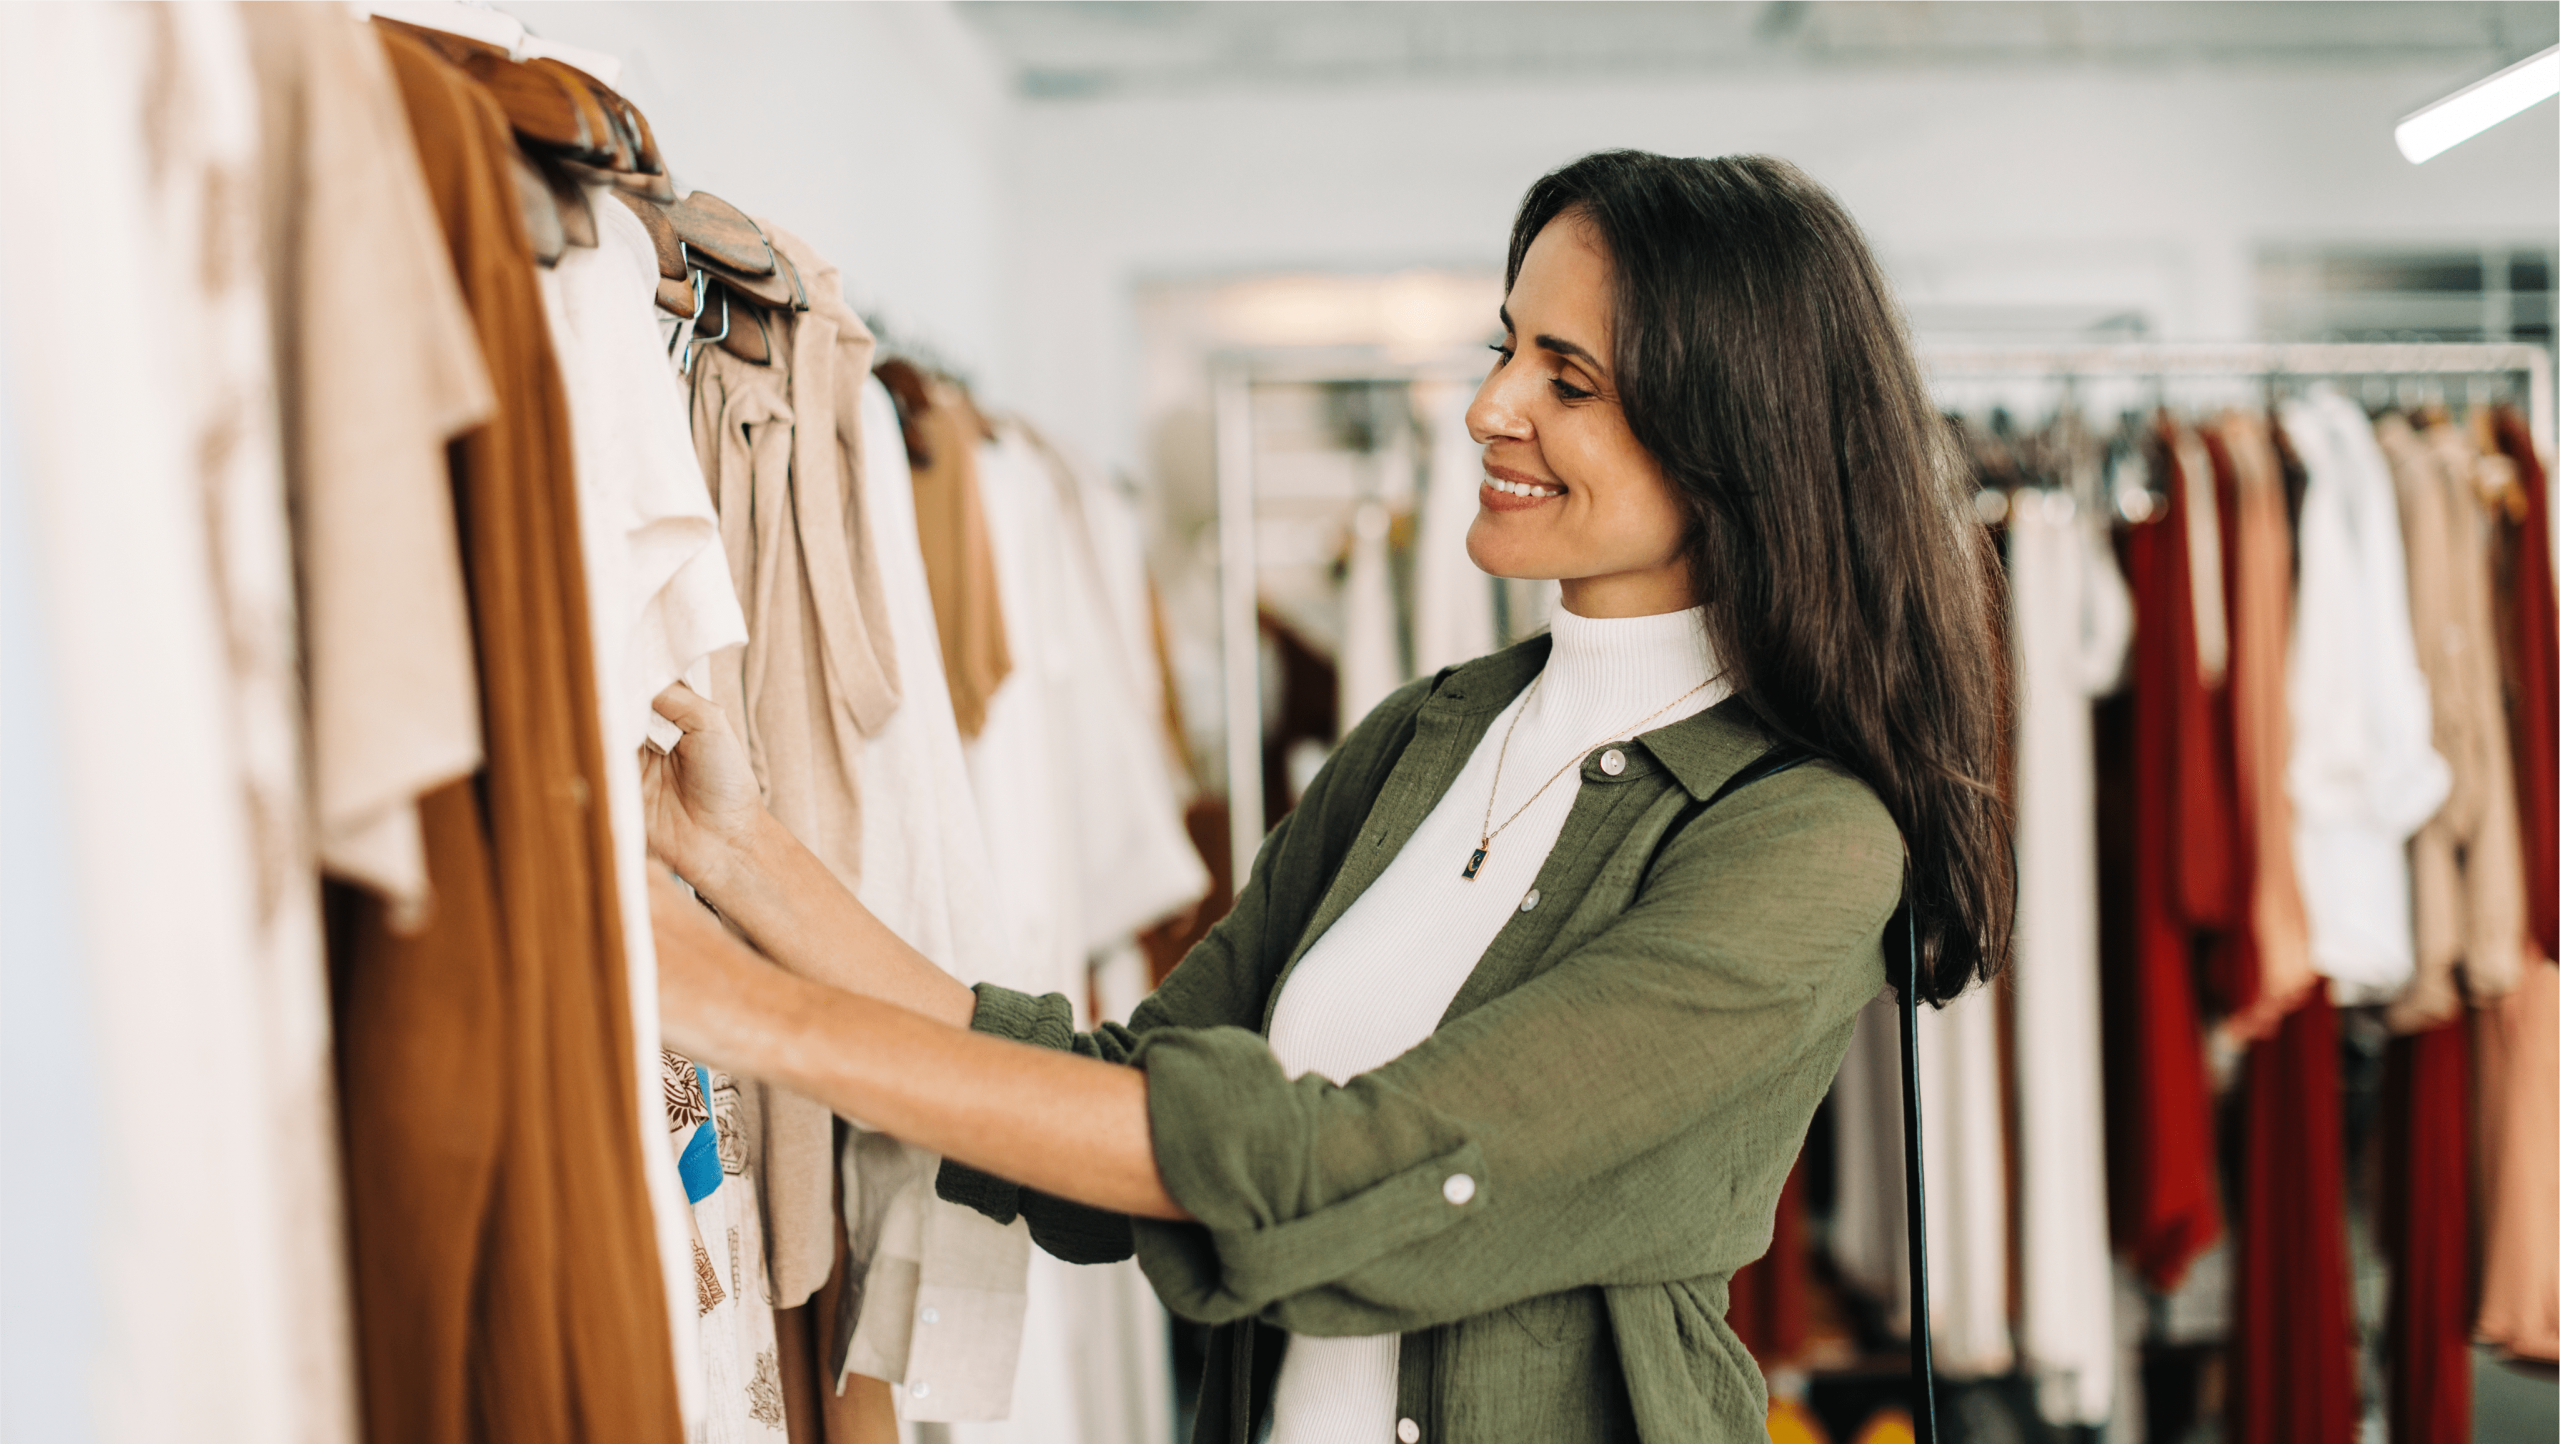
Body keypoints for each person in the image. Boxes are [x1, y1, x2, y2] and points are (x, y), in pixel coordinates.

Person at [644, 149, 2012, 1444]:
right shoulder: (1433, 733)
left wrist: (758, 1018)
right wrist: (748, 861)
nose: (1488, 408)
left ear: (1738, 439)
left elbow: (1346, 1171)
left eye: (1570, 377)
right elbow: (1132, 1097)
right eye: (1506, 345)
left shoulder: (1804, 839)